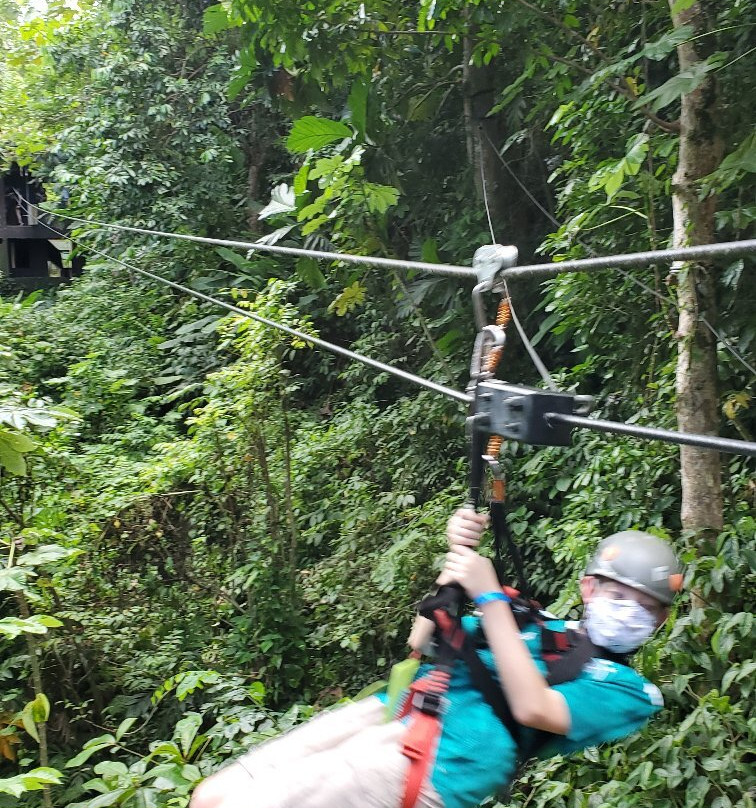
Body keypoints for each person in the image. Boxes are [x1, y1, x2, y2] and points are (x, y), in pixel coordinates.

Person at [190, 509, 682, 808]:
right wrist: (456, 564)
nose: (631, 613)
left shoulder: (629, 691)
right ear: (589, 588)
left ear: (661, 620)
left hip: (446, 761)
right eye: (620, 596)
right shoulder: (544, 628)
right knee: (211, 796)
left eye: (648, 607)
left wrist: (490, 598)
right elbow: (425, 639)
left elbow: (534, 708)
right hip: (398, 712)